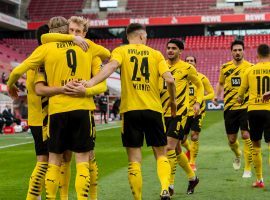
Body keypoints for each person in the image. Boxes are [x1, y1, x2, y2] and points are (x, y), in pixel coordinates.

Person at [7, 16, 110, 200]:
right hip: (60, 112)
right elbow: (109, 57)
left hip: (53, 113)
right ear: (65, 30)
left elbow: (20, 75)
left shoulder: (44, 50)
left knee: (57, 160)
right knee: (78, 160)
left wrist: (10, 86)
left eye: (78, 31)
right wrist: (86, 87)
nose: (74, 34)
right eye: (71, 31)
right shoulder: (86, 46)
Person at [81, 23, 176, 200]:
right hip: (153, 110)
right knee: (161, 153)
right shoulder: (156, 54)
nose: (146, 39)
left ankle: (138, 198)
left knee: (134, 159)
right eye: (146, 36)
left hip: (130, 111)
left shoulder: (121, 51)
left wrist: (91, 82)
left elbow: (109, 68)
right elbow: (170, 81)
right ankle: (164, 188)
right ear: (141, 36)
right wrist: (173, 103)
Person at [160, 39, 201, 196]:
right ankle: (192, 178)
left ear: (180, 51)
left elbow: (199, 85)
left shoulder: (187, 68)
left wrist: (197, 102)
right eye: (168, 48)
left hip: (179, 113)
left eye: (174, 48)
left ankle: (169, 186)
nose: (170, 50)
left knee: (168, 147)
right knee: (176, 149)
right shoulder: (161, 65)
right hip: (162, 113)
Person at [213, 40, 253, 178]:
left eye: (239, 50)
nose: (237, 52)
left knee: (246, 135)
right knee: (231, 140)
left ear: (244, 51)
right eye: (235, 50)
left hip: (246, 107)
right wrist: (216, 96)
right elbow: (220, 83)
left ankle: (247, 169)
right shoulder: (225, 67)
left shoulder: (250, 67)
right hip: (229, 108)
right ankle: (237, 154)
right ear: (231, 52)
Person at [238, 44, 270, 188]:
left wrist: (240, 98)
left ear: (257, 55)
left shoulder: (249, 70)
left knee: (256, 144)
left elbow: (240, 94)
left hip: (254, 110)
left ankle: (259, 180)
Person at [25, 24, 50, 200]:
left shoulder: (33, 57)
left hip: (36, 117)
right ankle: (33, 197)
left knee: (43, 160)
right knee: (45, 161)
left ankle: (36, 197)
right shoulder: (42, 58)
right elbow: (40, 89)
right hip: (43, 118)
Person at [182, 55, 215, 171]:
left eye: (192, 61)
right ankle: (190, 150)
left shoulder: (202, 78)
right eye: (187, 61)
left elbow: (212, 93)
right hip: (184, 112)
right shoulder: (181, 77)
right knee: (182, 138)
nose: (190, 62)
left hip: (198, 112)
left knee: (194, 136)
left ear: (196, 63)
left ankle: (192, 163)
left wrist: (201, 98)